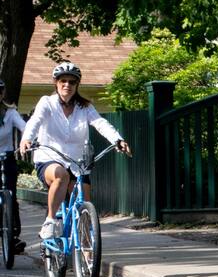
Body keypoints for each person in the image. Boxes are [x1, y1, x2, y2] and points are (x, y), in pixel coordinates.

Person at [20, 62, 131, 240]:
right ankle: (50, 221)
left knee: (84, 204)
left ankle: (87, 249)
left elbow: (100, 123)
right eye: (63, 81)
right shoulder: (47, 103)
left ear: (77, 85)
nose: (67, 85)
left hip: (77, 163)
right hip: (49, 158)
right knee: (61, 175)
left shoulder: (84, 107)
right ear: (56, 83)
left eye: (72, 82)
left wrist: (117, 140)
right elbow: (35, 121)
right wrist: (27, 138)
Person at [0, 79, 27, 253]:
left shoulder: (10, 113)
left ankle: (13, 236)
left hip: (6, 158)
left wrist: (30, 138)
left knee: (11, 195)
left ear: (2, 93)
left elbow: (25, 127)